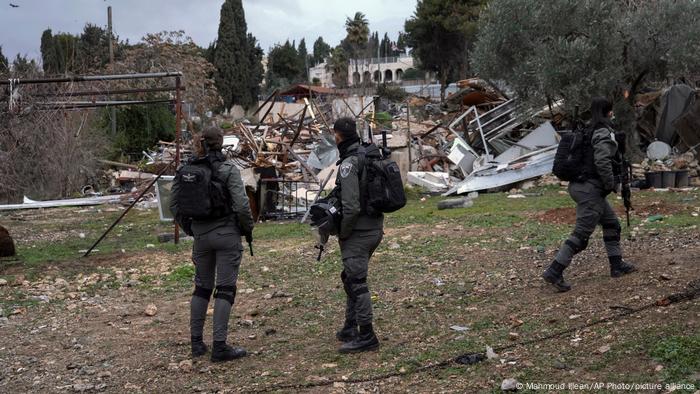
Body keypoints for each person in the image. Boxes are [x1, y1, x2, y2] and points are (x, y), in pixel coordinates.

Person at [170, 126, 254, 362]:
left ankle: (197, 343)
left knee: (202, 287)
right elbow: (241, 205)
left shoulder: (186, 170)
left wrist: (192, 229)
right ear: (221, 144)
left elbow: (174, 205)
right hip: (226, 234)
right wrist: (246, 229)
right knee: (225, 290)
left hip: (200, 235)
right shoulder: (228, 169)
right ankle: (220, 346)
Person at [542, 97, 637, 292]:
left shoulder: (588, 129)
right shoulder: (602, 132)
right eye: (611, 110)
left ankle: (616, 265)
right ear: (608, 112)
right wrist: (611, 184)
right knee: (581, 235)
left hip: (582, 187)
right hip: (590, 190)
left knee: (611, 224)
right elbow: (602, 160)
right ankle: (554, 271)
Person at [332, 117, 384, 353]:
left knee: (357, 282)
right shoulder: (368, 155)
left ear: (338, 136)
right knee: (349, 277)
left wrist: (343, 232)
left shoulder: (349, 164)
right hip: (374, 228)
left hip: (358, 231)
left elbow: (351, 207)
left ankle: (367, 335)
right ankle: (350, 326)